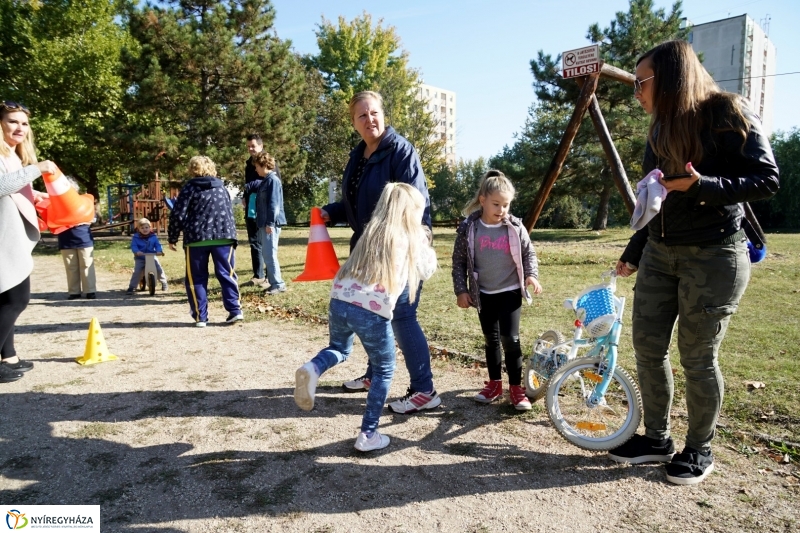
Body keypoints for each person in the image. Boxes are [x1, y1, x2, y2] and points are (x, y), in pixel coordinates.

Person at [607, 40, 779, 485]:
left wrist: (701, 186)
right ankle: (656, 439)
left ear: (670, 78)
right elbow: (655, 197)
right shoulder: (660, 127)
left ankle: (699, 449)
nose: (636, 92)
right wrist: (634, 251)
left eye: (641, 82)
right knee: (647, 349)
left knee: (698, 358)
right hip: (660, 253)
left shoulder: (727, 111)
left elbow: (767, 179)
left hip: (714, 255)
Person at [320, 90, 439, 415]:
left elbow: (415, 201)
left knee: (402, 315)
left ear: (383, 115)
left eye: (374, 113)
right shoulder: (358, 156)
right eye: (362, 115)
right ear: (354, 122)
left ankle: (424, 390)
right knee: (372, 312)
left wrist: (411, 243)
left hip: (400, 248)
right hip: (368, 247)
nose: (369, 119)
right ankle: (374, 375)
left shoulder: (400, 150)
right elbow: (357, 201)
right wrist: (333, 211)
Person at [295, 183, 438, 451]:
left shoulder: (371, 231)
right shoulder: (412, 236)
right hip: (371, 309)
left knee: (339, 349)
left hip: (340, 300)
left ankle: (313, 368)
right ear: (411, 213)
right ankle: (368, 434)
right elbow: (426, 270)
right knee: (385, 369)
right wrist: (426, 243)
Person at [452, 170, 542, 411]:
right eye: (496, 204)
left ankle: (516, 388)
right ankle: (494, 384)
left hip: (510, 292)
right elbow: (459, 262)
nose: (502, 210)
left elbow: (528, 253)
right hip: (483, 294)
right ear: (483, 200)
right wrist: (461, 290)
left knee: (510, 339)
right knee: (491, 339)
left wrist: (531, 275)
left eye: (506, 205)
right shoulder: (469, 228)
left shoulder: (514, 226)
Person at [0, 100, 57, 383]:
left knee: (6, 297)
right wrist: (37, 168)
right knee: (16, 299)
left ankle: (8, 355)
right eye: (13, 121)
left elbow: (12, 186)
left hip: (11, 237)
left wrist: (35, 195)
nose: (20, 127)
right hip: (3, 238)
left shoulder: (12, 155)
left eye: (24, 123)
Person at [168, 156, 243, 327]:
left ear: (192, 169)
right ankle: (235, 310)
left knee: (196, 277)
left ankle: (200, 316)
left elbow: (178, 214)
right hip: (223, 236)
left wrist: (173, 237)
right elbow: (228, 212)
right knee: (227, 274)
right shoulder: (221, 187)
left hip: (196, 238)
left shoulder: (189, 188)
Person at [252, 151, 287, 295]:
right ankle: (275, 283)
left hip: (270, 224)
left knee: (270, 254)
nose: (256, 169)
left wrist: (270, 224)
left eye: (257, 166)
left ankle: (278, 284)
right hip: (265, 223)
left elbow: (274, 204)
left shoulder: (273, 180)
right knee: (267, 254)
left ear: (263, 165)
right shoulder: (266, 181)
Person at [243, 134, 266, 285]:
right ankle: (258, 275)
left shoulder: (268, 161)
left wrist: (250, 187)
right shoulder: (249, 164)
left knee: (266, 243)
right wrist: (244, 196)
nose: (251, 149)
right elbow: (248, 183)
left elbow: (272, 181)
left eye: (253, 146)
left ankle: (270, 277)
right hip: (250, 207)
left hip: (263, 207)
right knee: (254, 242)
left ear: (261, 146)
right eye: (248, 146)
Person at [126, 217, 168, 295]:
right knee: (137, 271)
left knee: (158, 268)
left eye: (146, 227)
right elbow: (134, 246)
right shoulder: (136, 237)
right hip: (140, 257)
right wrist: (137, 251)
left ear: (150, 227)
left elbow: (158, 245)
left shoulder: (153, 237)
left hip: (151, 256)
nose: (145, 229)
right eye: (142, 228)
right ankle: (132, 287)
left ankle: (164, 282)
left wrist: (159, 251)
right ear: (138, 229)